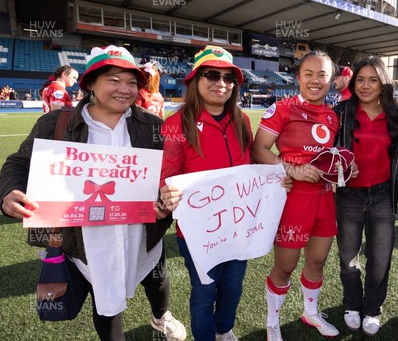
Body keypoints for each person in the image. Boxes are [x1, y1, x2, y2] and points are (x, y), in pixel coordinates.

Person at [0, 46, 186, 341]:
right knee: (106, 299)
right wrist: (9, 191)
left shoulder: (152, 126)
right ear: (90, 84)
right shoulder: (56, 123)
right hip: (87, 240)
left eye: (131, 82)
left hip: (143, 233)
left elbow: (173, 173)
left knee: (156, 276)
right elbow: (19, 162)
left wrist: (170, 198)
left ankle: (161, 315)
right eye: (114, 80)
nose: (125, 90)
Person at [159, 45, 252, 341]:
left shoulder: (242, 120)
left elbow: (252, 166)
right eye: (212, 75)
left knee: (234, 285)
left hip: (239, 223)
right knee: (204, 291)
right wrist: (166, 192)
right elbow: (167, 174)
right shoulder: (177, 123)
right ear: (195, 80)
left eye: (228, 77)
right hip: (199, 230)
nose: (221, 83)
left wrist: (279, 178)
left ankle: (224, 329)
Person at [253, 51, 342, 340]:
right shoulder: (282, 108)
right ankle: (272, 322)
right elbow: (259, 150)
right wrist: (291, 169)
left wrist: (341, 168)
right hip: (293, 200)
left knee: (317, 262)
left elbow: (330, 157)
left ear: (331, 79)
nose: (315, 81)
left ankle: (310, 313)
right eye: (309, 74)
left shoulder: (332, 116)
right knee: (285, 266)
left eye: (322, 75)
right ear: (298, 77)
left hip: (325, 199)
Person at [332, 56, 398, 336]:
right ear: (353, 82)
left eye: (373, 80)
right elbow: (324, 155)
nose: (365, 86)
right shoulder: (341, 113)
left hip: (383, 196)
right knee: (348, 258)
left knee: (380, 259)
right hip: (348, 196)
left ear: (383, 83)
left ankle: (372, 309)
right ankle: (352, 304)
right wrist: (340, 165)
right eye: (360, 79)